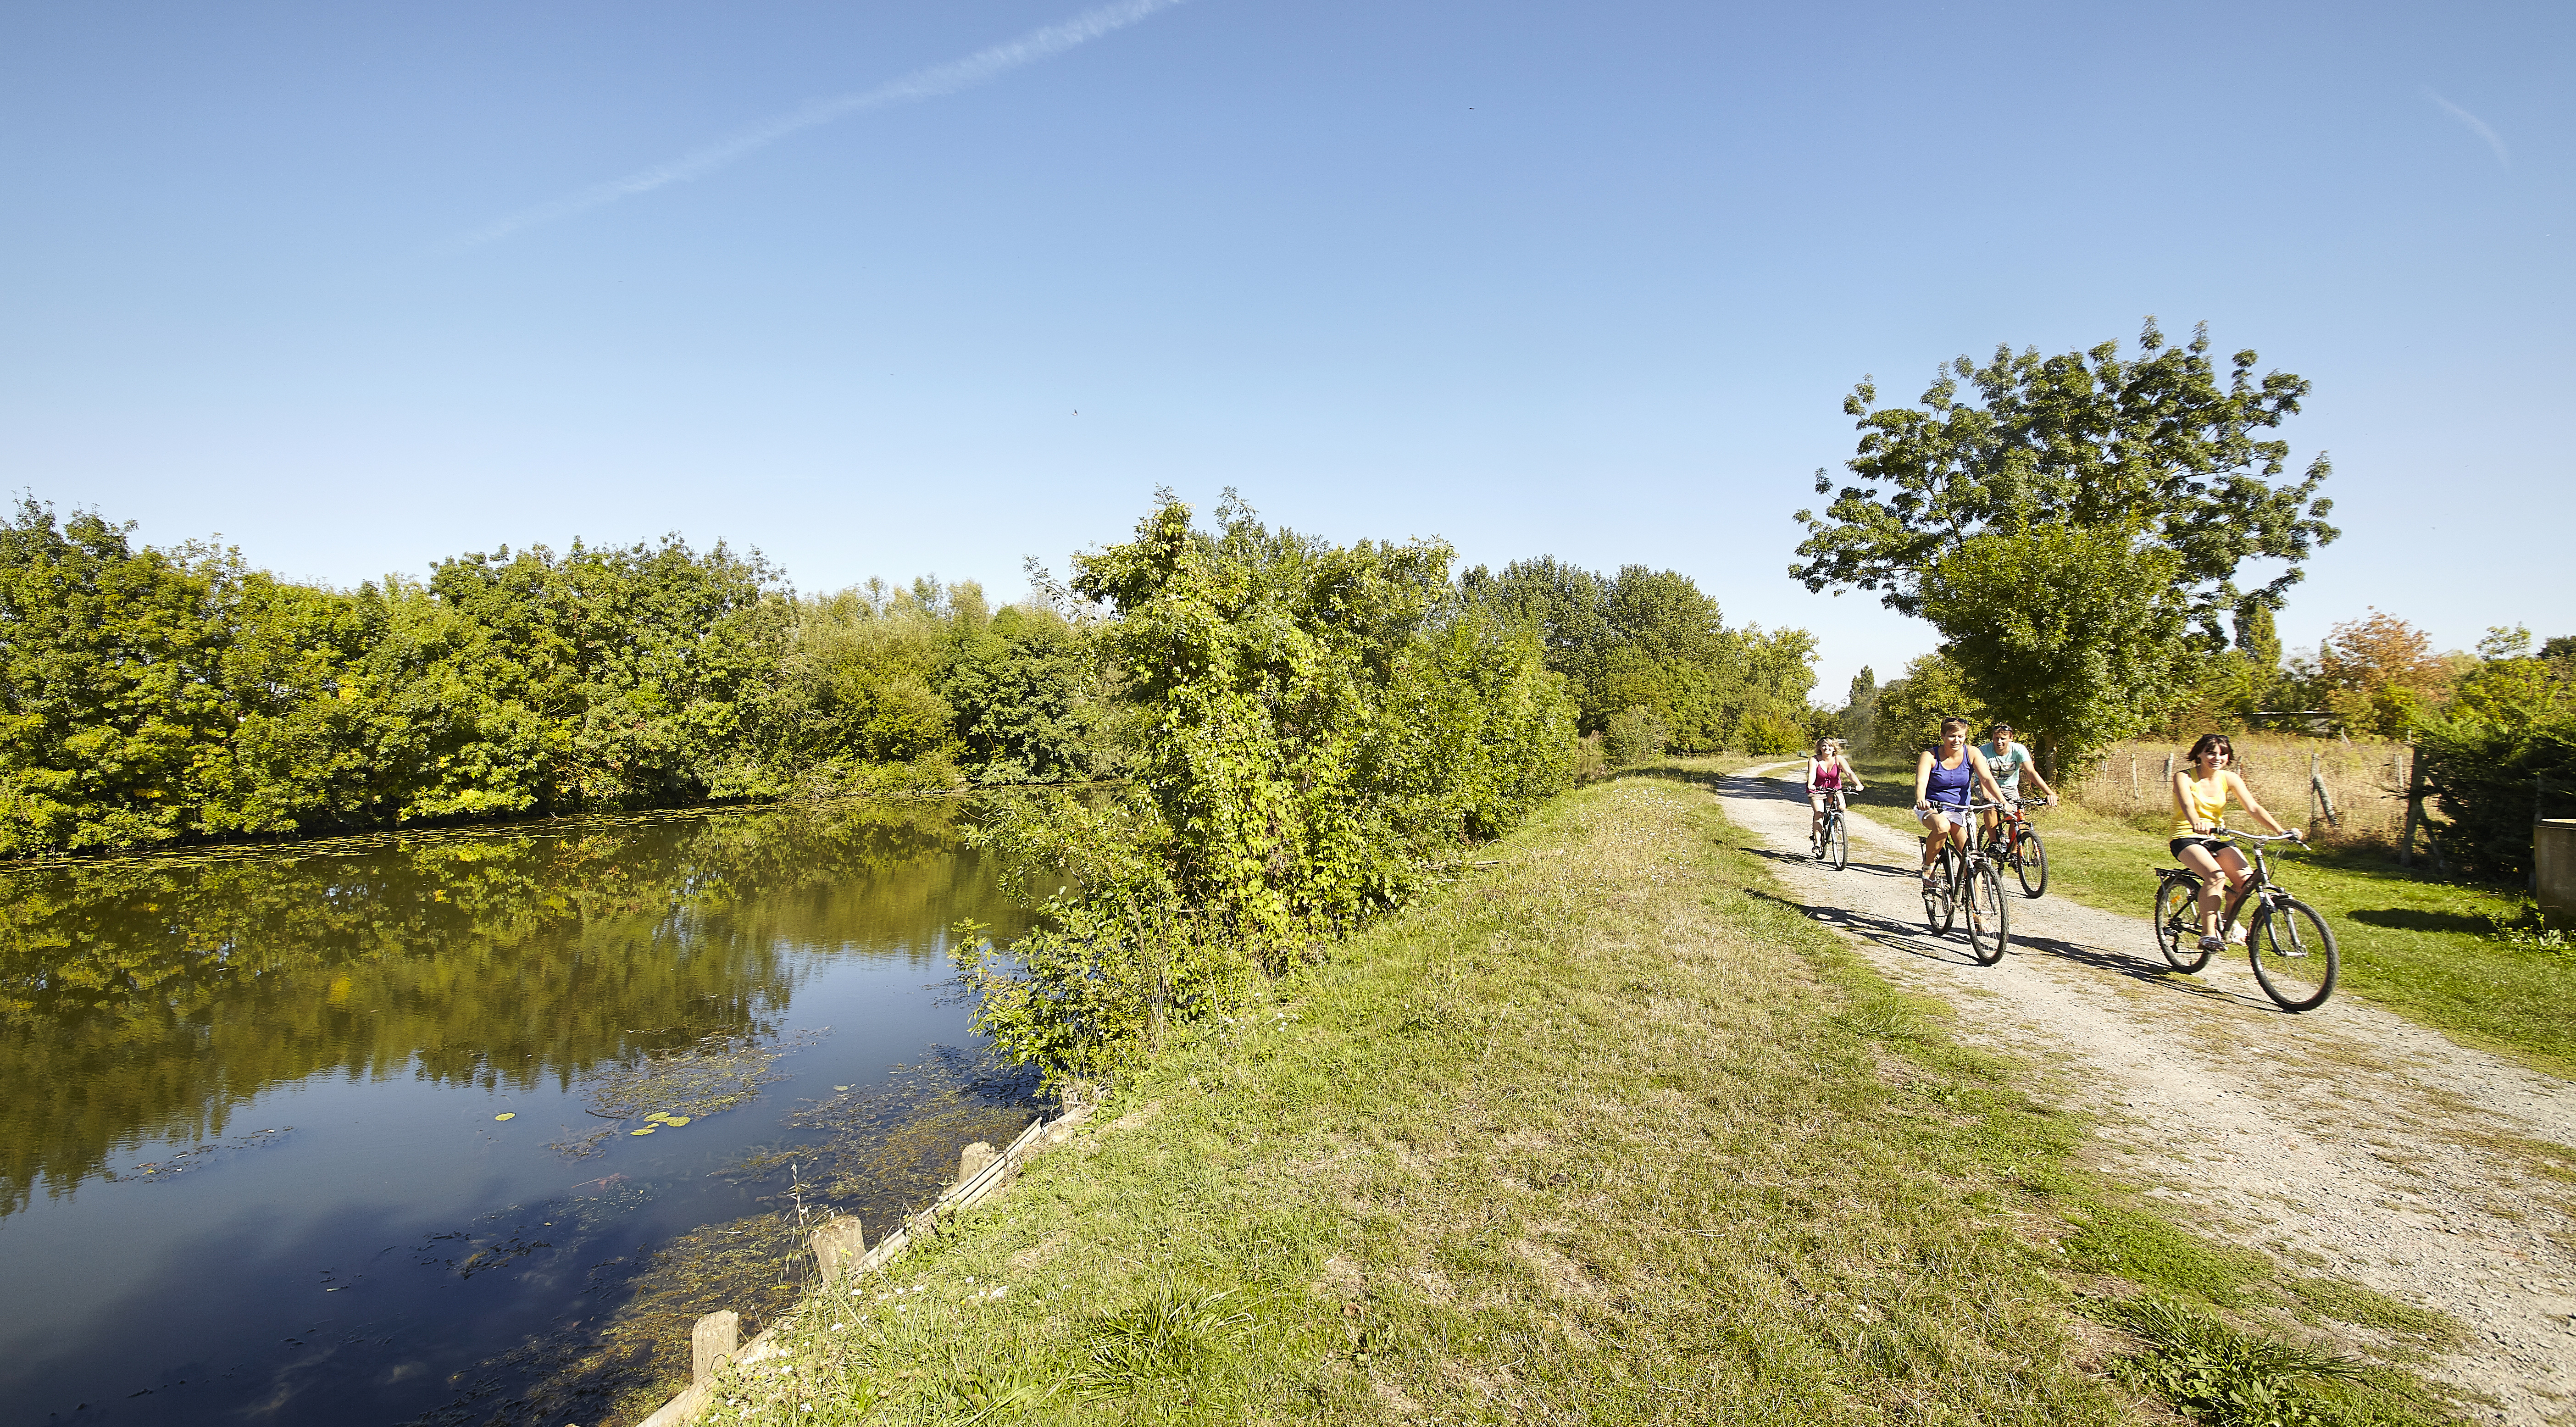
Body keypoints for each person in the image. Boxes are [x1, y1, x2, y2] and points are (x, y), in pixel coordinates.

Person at [2170, 732, 2301, 952]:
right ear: (2199, 754)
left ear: (2228, 757)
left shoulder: (2229, 779)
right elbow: (2187, 805)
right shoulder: (2184, 777)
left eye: (2223, 754)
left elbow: (2253, 808)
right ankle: (2208, 934)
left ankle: (2228, 925)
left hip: (2218, 836)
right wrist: (2196, 822)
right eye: (2210, 752)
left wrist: (2281, 830)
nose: (2217, 758)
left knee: (2247, 884)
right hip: (2187, 836)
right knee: (2215, 875)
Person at [1914, 717, 2010, 886]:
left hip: (1960, 810)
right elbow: (1921, 782)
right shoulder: (1929, 756)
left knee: (1970, 859)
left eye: (1961, 736)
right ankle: (1929, 865)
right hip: (1933, 808)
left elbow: (1986, 778)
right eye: (1952, 736)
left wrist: (2002, 801)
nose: (1956, 740)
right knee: (1943, 826)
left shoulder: (1972, 753)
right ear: (1943, 736)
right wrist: (1921, 800)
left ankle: (1976, 910)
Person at [1975, 722, 2059, 847]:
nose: (1999, 742)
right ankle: (1994, 842)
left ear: (2011, 738)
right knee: (1991, 805)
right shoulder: (1984, 751)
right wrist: (1987, 793)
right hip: (1986, 784)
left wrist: (2050, 793)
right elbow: (1984, 777)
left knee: (2017, 816)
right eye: (1996, 738)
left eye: (2003, 739)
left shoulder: (2019, 750)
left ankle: (2014, 852)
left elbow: (2031, 772)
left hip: (2010, 786)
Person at [1805, 737, 1865, 847]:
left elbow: (1849, 773)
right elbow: (1812, 774)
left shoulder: (1838, 759)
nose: (1827, 748)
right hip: (1817, 789)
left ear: (1834, 748)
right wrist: (1810, 784)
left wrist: (1858, 784)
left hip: (1834, 789)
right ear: (1820, 748)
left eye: (1830, 746)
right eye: (1824, 746)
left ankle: (1836, 823)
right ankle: (1818, 843)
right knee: (1819, 813)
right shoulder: (1815, 760)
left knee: (1841, 807)